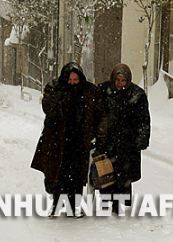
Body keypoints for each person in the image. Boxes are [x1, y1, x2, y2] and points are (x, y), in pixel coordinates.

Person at [31, 62, 107, 217]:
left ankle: (74, 206)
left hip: (79, 141)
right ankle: (56, 205)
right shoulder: (55, 88)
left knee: (77, 176)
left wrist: (96, 135)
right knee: (57, 174)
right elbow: (48, 108)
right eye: (69, 79)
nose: (72, 83)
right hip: (58, 141)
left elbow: (99, 114)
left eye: (75, 80)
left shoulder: (89, 91)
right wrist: (60, 95)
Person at [97, 63, 151, 213]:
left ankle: (119, 202)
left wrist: (141, 139)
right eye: (118, 80)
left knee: (123, 175)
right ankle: (107, 202)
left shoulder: (137, 95)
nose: (120, 84)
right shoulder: (103, 91)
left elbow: (143, 120)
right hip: (107, 141)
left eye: (123, 81)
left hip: (127, 143)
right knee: (107, 173)